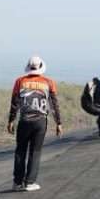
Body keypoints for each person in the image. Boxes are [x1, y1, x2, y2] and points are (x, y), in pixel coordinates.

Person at [7, 56, 63, 191]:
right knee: (35, 152)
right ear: (41, 67)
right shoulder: (49, 82)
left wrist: (11, 120)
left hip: (24, 121)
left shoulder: (20, 81)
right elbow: (54, 104)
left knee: (20, 151)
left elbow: (15, 103)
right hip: (40, 121)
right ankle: (30, 182)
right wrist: (58, 123)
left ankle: (17, 183)